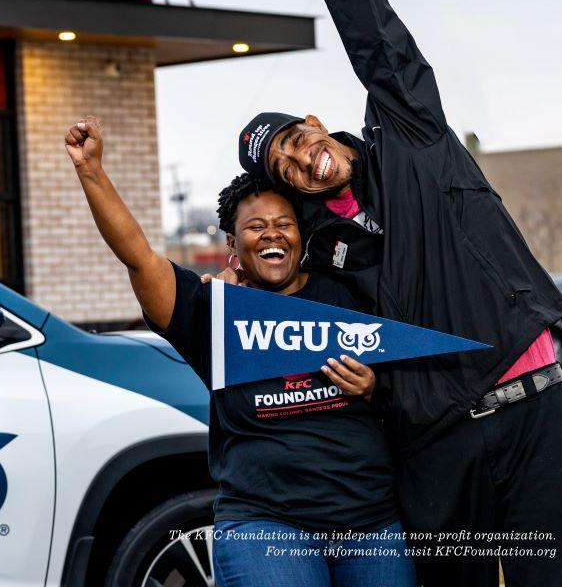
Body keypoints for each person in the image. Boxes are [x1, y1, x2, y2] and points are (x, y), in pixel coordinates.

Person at [235, 0, 562, 586]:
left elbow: (367, 20)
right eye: (289, 170)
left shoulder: (409, 132)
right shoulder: (326, 246)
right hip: (437, 443)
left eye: (297, 140)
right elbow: (316, 324)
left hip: (532, 412)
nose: (302, 159)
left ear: (316, 124)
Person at [67, 116, 415, 587]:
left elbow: (414, 389)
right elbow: (139, 257)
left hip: (371, 525)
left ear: (301, 235)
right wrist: (91, 171)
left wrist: (374, 386)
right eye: (255, 227)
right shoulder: (212, 311)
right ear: (233, 243)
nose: (272, 234)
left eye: (283, 224)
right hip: (267, 526)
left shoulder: (349, 293)